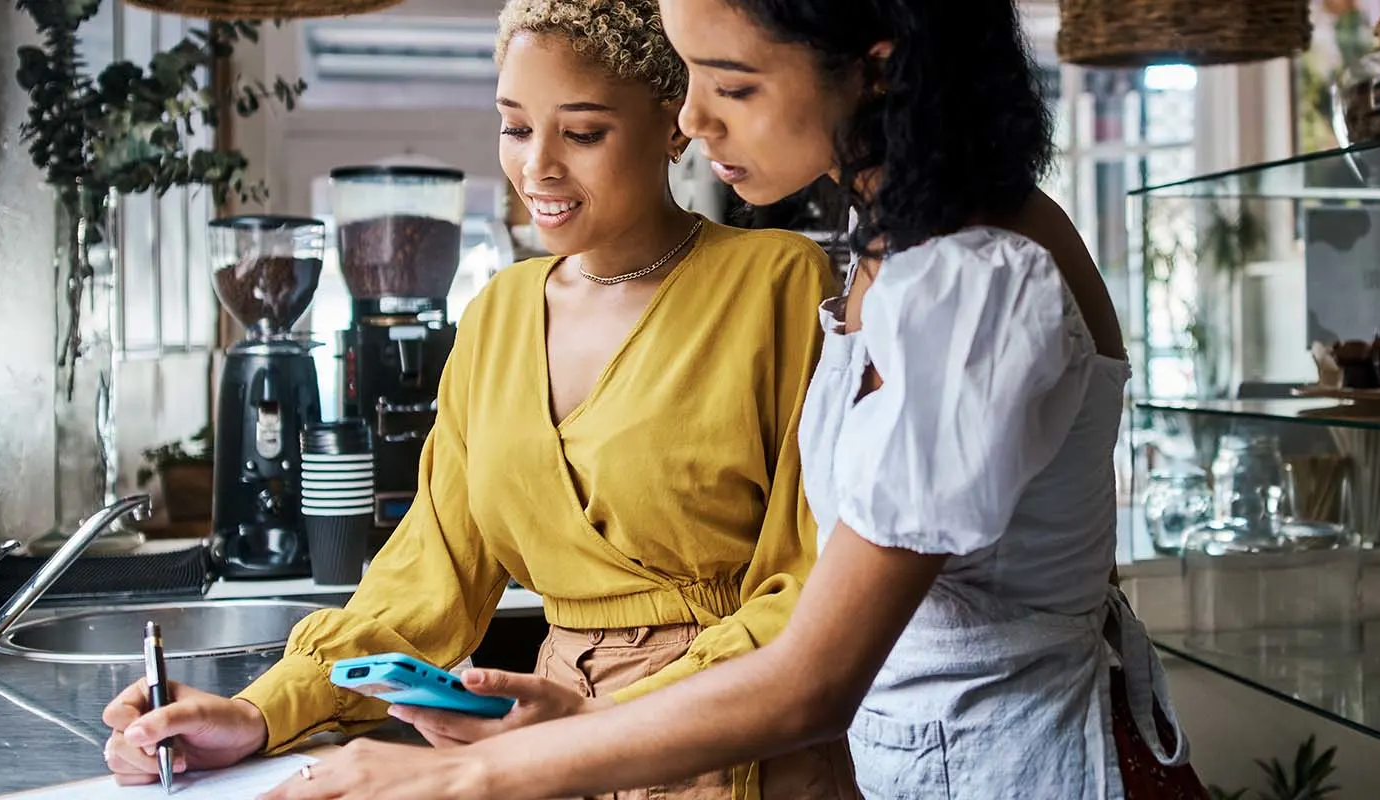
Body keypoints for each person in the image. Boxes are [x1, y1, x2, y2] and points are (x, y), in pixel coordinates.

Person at [256, 0, 1207, 798]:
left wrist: (471, 776)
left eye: (732, 84)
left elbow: (811, 683)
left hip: (1022, 770)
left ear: (873, 71)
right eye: (688, 75)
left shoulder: (978, 273)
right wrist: (591, 715)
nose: (696, 121)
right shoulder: (895, 249)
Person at [102, 1, 861, 798]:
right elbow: (426, 578)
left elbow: (809, 589)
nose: (538, 168)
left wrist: (596, 727)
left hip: (734, 747)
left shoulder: (780, 284)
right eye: (514, 127)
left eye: (583, 133)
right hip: (546, 755)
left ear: (675, 125)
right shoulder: (497, 313)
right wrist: (257, 713)